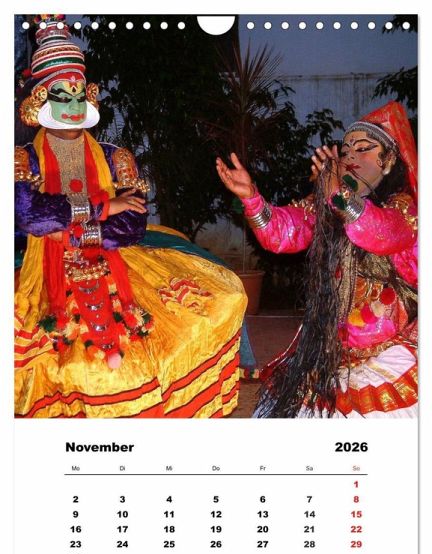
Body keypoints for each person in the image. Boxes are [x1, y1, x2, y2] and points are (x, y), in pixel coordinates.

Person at [15, 16, 248, 418]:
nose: (73, 104)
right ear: (40, 100)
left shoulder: (116, 156)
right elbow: (30, 217)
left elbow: (131, 225)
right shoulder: (22, 159)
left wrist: (70, 232)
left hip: (119, 263)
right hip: (45, 272)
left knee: (215, 304)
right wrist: (105, 206)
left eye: (79, 93)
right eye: (61, 94)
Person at [216, 100, 417, 418]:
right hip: (332, 342)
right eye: (345, 150)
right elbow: (282, 233)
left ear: (389, 160)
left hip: (387, 343)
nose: (350, 157)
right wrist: (251, 197)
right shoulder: (328, 203)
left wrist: (337, 193)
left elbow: (376, 231)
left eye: (363, 149)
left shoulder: (404, 209)